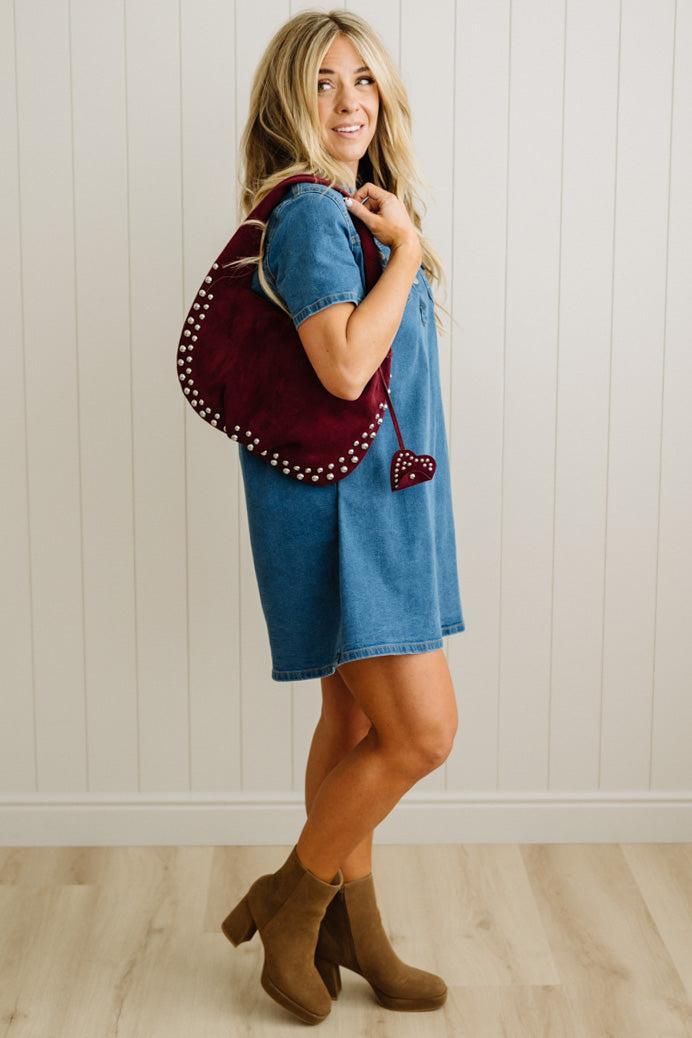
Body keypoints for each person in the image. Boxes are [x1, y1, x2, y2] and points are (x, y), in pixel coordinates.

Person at [221, 8, 466, 1025]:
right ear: (288, 102)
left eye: (362, 79)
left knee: (355, 719)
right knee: (425, 734)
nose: (348, 100)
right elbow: (345, 365)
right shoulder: (314, 216)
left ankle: (348, 928)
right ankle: (292, 901)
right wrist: (408, 250)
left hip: (374, 505)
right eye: (322, 82)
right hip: (344, 518)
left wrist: (397, 235)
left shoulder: (352, 209)